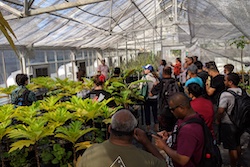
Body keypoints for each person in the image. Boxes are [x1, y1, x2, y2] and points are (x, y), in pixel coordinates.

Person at [77, 109, 166, 167]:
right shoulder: (147, 160)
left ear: (109, 128)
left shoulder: (91, 152)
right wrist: (146, 143)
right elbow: (163, 164)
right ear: (134, 132)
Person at [153, 92, 204, 167]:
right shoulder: (190, 118)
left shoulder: (188, 130)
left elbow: (182, 159)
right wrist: (170, 134)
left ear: (181, 108)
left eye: (172, 109)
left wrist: (163, 146)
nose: (171, 112)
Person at [216, 73, 242, 167]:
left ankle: (233, 164)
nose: (224, 82)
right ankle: (238, 161)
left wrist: (217, 120)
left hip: (228, 123)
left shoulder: (226, 94)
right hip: (240, 122)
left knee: (232, 147)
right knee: (237, 143)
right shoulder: (242, 91)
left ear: (230, 82)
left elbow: (221, 110)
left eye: (225, 80)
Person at [150, 66, 178, 132]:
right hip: (175, 110)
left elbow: (151, 93)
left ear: (163, 73)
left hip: (163, 111)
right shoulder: (176, 82)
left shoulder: (161, 83)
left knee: (163, 131)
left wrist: (154, 86)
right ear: (171, 73)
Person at [141, 64, 159, 132]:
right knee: (155, 112)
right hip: (155, 98)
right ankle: (156, 126)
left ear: (149, 70)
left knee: (147, 113)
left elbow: (141, 87)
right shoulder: (156, 77)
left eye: (145, 69)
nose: (144, 70)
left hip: (147, 98)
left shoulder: (145, 78)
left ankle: (148, 128)